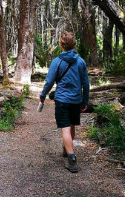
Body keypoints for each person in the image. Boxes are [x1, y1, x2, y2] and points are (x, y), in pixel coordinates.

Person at [39, 32, 90, 174]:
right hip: (75, 100)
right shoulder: (80, 62)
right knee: (72, 126)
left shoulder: (57, 61)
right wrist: (85, 101)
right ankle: (67, 149)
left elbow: (49, 82)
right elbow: (86, 84)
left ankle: (72, 159)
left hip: (61, 100)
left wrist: (43, 95)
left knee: (65, 129)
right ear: (74, 44)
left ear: (61, 44)